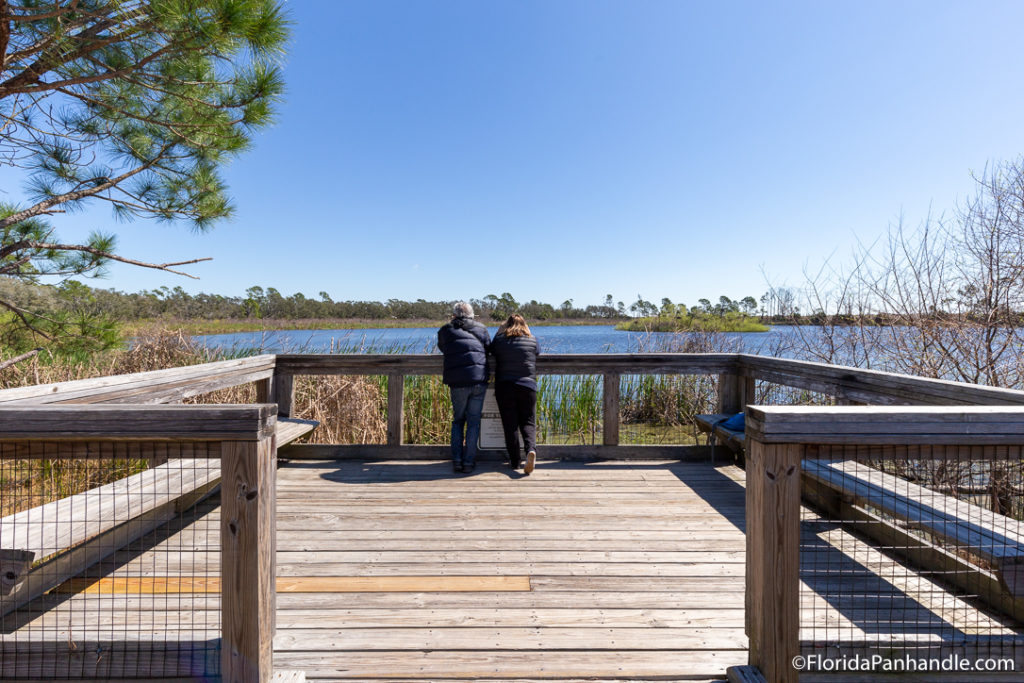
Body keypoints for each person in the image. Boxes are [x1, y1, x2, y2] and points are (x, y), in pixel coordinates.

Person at [438, 301, 490, 473]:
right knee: (474, 422)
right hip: (478, 380)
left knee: (458, 421)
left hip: (457, 382)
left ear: (454, 315)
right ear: (471, 315)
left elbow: (442, 347)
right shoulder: (481, 329)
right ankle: (469, 462)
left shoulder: (445, 330)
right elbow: (489, 348)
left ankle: (457, 461)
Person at [489, 314, 540, 474]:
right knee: (528, 422)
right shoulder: (532, 339)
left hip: (505, 386)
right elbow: (537, 352)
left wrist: (499, 331)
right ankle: (530, 450)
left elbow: (491, 350)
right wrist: (528, 332)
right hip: (527, 385)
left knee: (510, 425)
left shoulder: (500, 340)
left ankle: (515, 462)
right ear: (525, 325)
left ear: (506, 326)